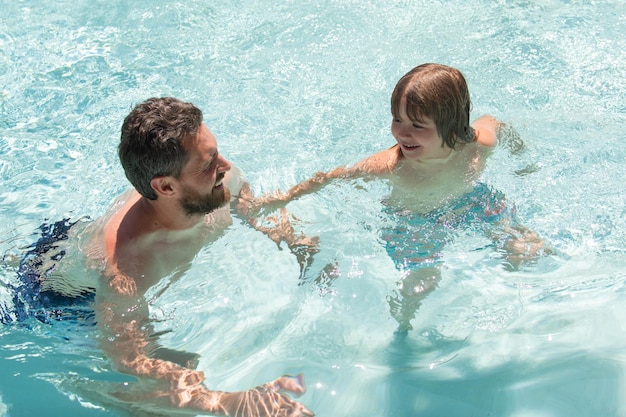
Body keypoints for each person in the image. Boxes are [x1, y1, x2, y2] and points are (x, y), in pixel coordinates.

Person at [247, 63, 548, 332]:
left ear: (452, 126)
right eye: (397, 120)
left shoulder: (478, 145)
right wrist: (279, 200)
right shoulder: (392, 167)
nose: (402, 134)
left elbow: (500, 125)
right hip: (413, 223)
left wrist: (524, 162)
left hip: (472, 201)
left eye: (417, 125)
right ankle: (403, 330)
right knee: (422, 284)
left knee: (529, 250)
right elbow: (332, 177)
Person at [79, 97, 314, 416]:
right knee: (137, 399)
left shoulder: (216, 182)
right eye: (208, 164)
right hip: (65, 301)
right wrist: (230, 404)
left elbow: (244, 193)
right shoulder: (125, 271)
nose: (225, 167)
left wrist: (288, 236)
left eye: (215, 153)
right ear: (165, 187)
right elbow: (130, 362)